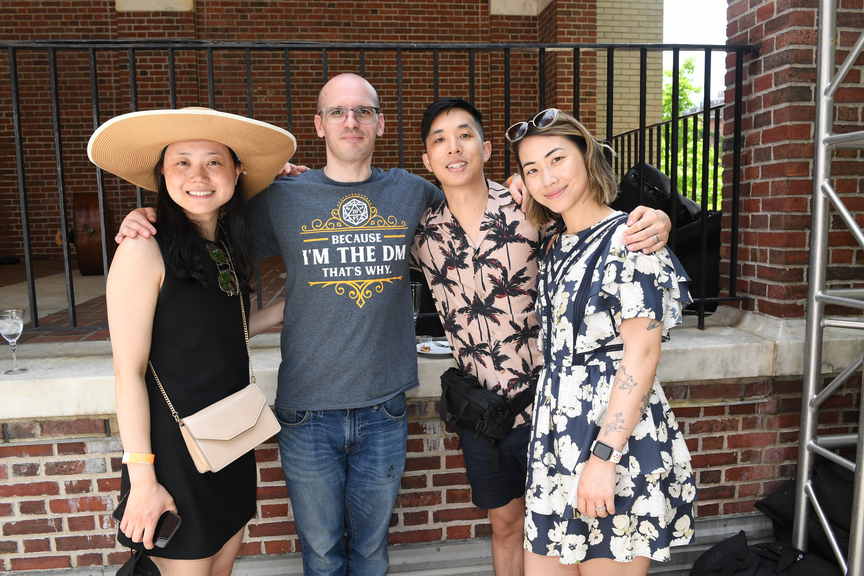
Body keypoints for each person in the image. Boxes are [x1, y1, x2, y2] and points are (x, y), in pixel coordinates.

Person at [116, 80, 671, 576]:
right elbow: (207, 220)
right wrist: (148, 221)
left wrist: (652, 218)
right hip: (307, 411)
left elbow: (570, 217)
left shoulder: (422, 197)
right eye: (337, 112)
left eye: (363, 111)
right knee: (323, 554)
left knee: (373, 551)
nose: (350, 121)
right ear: (319, 125)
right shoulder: (286, 198)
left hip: (402, 408)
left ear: (381, 123)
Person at [412, 99, 671, 576]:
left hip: (550, 408)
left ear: (487, 148)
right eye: (440, 140)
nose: (454, 148)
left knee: (576, 536)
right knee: (508, 526)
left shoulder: (530, 206)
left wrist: (656, 219)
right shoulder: (421, 231)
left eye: (465, 135)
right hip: (482, 411)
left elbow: (596, 225)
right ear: (427, 159)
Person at [92, 108, 294, 575]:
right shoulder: (143, 247)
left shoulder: (223, 245)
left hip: (228, 441)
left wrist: (287, 309)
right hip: (172, 458)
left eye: (214, 162)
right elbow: (128, 372)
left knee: (221, 567)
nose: (198, 176)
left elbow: (214, 333)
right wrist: (143, 479)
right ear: (161, 174)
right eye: (182, 162)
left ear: (236, 171)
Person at [508, 109, 695, 575]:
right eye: (532, 169)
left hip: (615, 444)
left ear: (587, 158)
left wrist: (604, 458)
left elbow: (642, 355)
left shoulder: (632, 240)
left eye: (557, 160)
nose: (547, 178)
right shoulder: (555, 244)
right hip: (556, 441)